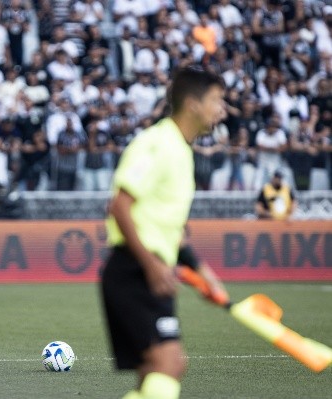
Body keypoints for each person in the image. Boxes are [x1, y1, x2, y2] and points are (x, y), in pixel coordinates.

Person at [101, 66, 228, 399]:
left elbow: (172, 231)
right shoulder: (158, 143)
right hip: (135, 269)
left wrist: (203, 272)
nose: (222, 110)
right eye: (217, 100)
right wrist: (151, 264)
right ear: (193, 104)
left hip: (150, 269)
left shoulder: (182, 151)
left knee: (155, 372)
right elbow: (119, 206)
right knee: (168, 363)